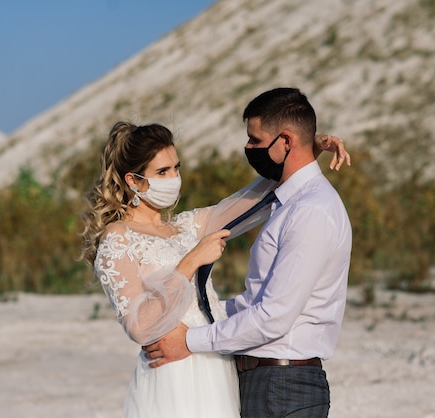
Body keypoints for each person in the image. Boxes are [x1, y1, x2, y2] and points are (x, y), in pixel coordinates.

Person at [80, 120, 349, 417]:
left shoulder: (185, 227)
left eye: (176, 168)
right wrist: (191, 261)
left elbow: (250, 201)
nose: (174, 179)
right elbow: (139, 326)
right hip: (172, 372)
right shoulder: (118, 237)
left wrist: (304, 150)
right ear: (133, 180)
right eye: (162, 172)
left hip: (216, 364)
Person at [144, 87, 353, 417]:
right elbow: (254, 302)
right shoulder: (289, 201)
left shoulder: (310, 211)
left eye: (255, 140)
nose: (248, 148)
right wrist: (194, 315)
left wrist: (189, 341)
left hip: (283, 386)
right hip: (269, 382)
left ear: (285, 142)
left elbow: (273, 317)